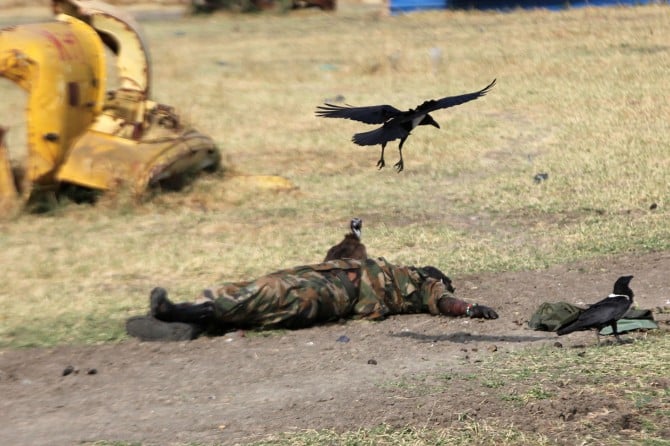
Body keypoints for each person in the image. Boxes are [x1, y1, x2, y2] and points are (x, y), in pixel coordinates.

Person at [126, 257, 498, 341]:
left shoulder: (422, 287)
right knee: (257, 291)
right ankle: (191, 322)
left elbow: (445, 302)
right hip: (314, 279)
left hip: (331, 295)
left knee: (264, 297)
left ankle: (174, 312)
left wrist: (467, 307)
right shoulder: (392, 267)